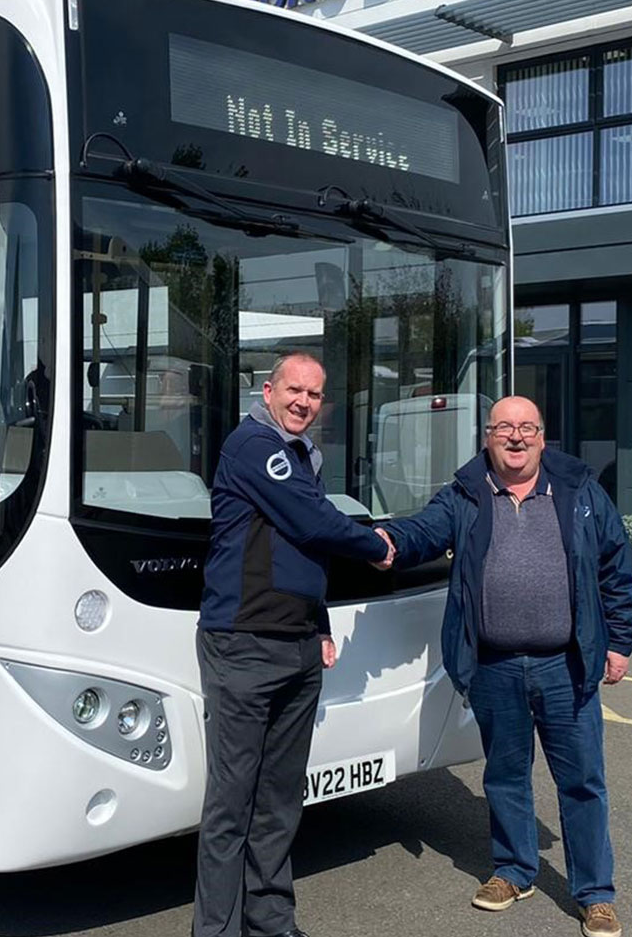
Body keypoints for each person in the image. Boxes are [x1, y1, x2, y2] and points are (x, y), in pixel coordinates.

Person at [376, 395, 632, 937]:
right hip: (495, 665)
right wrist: (382, 541)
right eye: (504, 428)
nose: (516, 437)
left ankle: (594, 893)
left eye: (526, 428)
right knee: (504, 776)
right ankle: (514, 870)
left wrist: (620, 642)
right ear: (487, 437)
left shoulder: (579, 492)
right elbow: (422, 532)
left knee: (583, 783)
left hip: (566, 666)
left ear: (543, 437)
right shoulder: (466, 496)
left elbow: (617, 567)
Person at [193, 351, 393, 937]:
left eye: (314, 394)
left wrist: (321, 622)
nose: (304, 402)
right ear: (269, 390)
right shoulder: (254, 446)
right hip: (243, 645)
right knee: (232, 805)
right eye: (294, 390)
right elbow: (310, 522)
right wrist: (377, 544)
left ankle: (271, 920)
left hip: (299, 645)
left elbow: (302, 552)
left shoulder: (302, 456)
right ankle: (218, 931)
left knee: (280, 801)